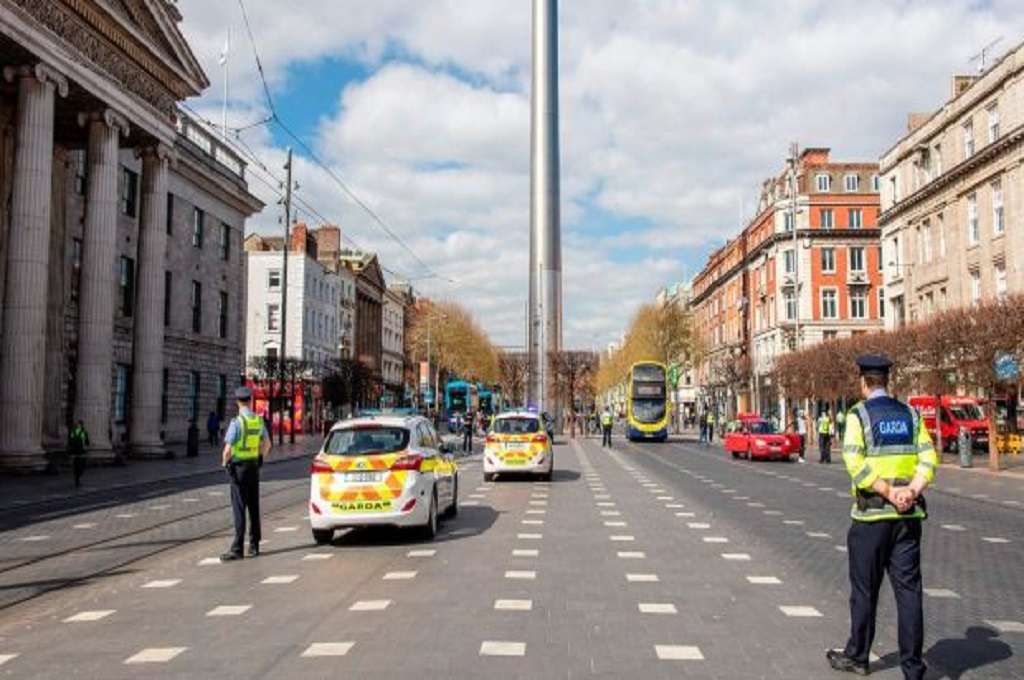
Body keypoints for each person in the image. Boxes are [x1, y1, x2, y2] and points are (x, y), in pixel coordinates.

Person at [827, 354, 936, 679]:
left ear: (864, 382)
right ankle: (913, 668)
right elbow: (929, 459)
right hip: (907, 518)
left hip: (871, 518)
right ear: (887, 381)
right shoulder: (911, 414)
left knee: (864, 591)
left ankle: (858, 656)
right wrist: (911, 492)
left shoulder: (858, 415)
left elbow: (855, 464)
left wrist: (888, 492)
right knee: (909, 592)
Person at [220, 386, 272, 562]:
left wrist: (225, 463)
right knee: (253, 506)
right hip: (253, 468)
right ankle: (255, 545)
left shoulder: (237, 423)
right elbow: (267, 443)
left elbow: (227, 450)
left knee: (239, 508)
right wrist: (260, 458)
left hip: (238, 469)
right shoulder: (258, 421)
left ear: (237, 402)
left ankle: (237, 548)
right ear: (250, 401)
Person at [67, 420, 89, 488]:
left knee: (82, 465)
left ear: (81, 425)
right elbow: (70, 439)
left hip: (82, 451)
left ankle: (78, 476)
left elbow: (86, 441)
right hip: (76, 451)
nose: (78, 425)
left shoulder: (84, 432)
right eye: (77, 424)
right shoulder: (73, 432)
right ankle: (77, 479)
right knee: (76, 466)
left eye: (79, 424)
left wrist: (86, 446)